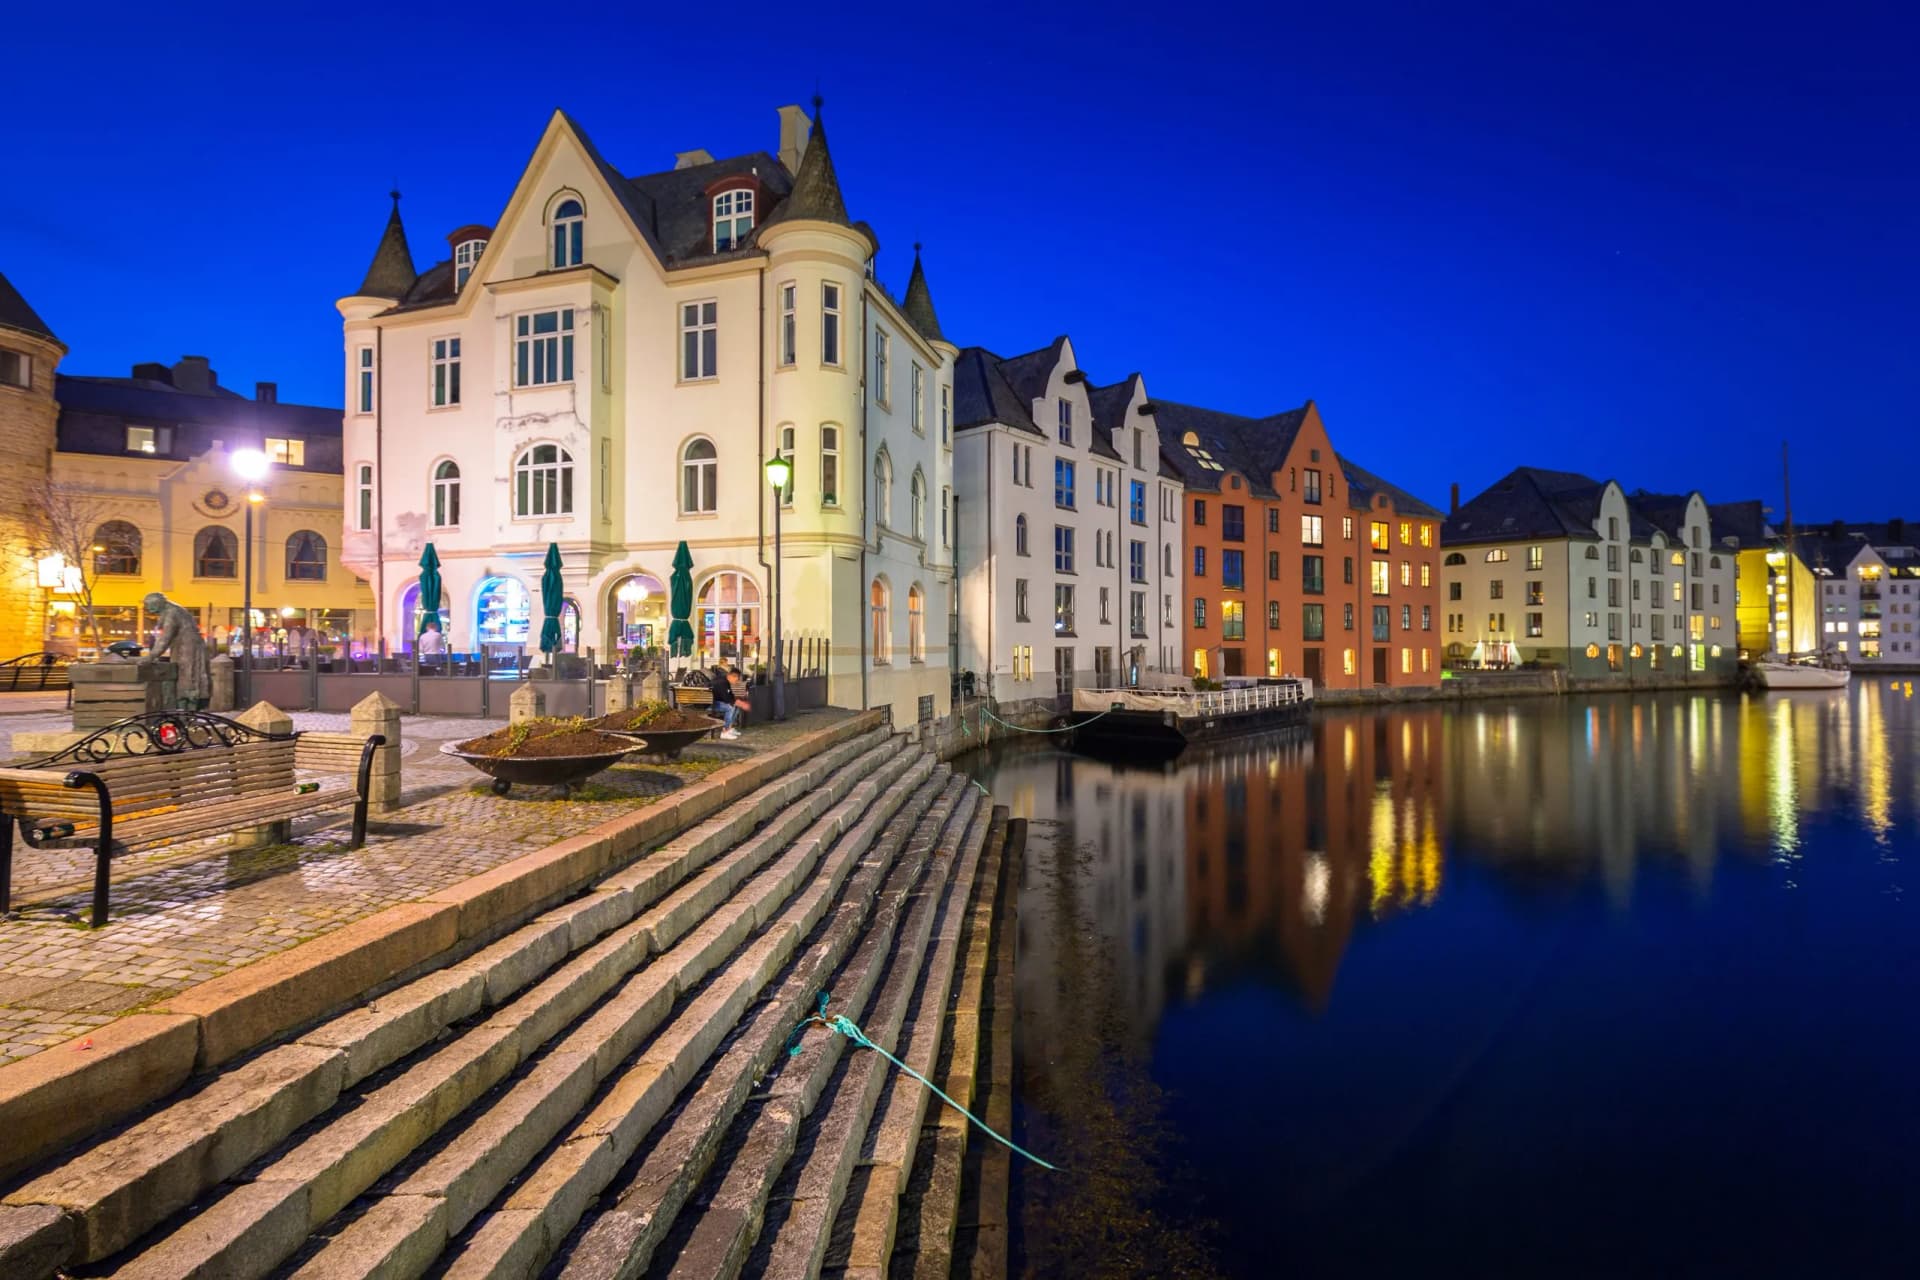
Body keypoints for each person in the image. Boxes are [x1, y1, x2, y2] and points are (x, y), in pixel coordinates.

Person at [709, 663, 740, 740]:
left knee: (735, 706)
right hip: (709, 704)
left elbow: (729, 694)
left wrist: (734, 701)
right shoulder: (722, 682)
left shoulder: (724, 680)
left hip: (713, 702)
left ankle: (729, 728)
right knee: (729, 708)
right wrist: (733, 702)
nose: (737, 680)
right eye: (737, 678)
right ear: (731, 676)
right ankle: (725, 732)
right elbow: (726, 698)